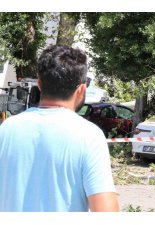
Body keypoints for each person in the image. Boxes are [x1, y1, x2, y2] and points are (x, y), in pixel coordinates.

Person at [0, 45, 119, 212]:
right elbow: (107, 212)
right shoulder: (89, 136)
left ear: (40, 85)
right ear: (81, 89)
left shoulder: (6, 129)